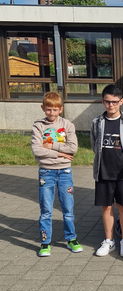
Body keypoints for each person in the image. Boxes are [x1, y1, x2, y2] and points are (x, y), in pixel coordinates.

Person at [31, 91, 83, 257]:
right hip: (46, 172)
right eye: (48, 109)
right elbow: (37, 151)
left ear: (60, 109)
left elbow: (73, 148)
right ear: (43, 108)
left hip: (65, 172)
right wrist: (60, 153)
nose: (51, 113)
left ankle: (71, 239)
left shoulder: (67, 125)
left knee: (68, 208)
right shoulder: (38, 126)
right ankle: (45, 242)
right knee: (46, 209)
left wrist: (50, 146)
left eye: (55, 110)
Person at [90, 84, 123, 257]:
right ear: (102, 101)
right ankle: (109, 241)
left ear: (121, 101)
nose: (111, 105)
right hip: (103, 172)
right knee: (106, 206)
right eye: (107, 101)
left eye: (114, 102)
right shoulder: (97, 122)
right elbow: (94, 145)